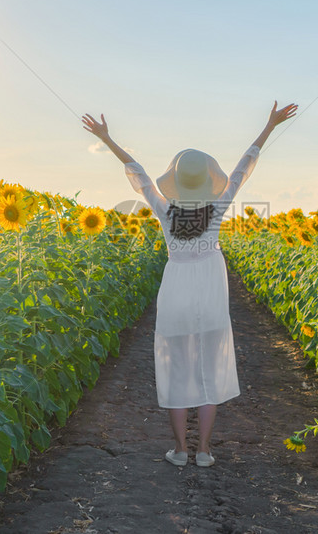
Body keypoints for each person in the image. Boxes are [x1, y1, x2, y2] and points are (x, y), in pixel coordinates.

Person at [81, 101, 298, 467]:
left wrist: (107, 137)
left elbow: (139, 174)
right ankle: (205, 451)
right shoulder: (217, 207)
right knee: (210, 372)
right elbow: (244, 167)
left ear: (177, 182)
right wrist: (270, 126)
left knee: (177, 370)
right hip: (210, 297)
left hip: (177, 294)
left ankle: (180, 451)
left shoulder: (165, 210)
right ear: (208, 181)